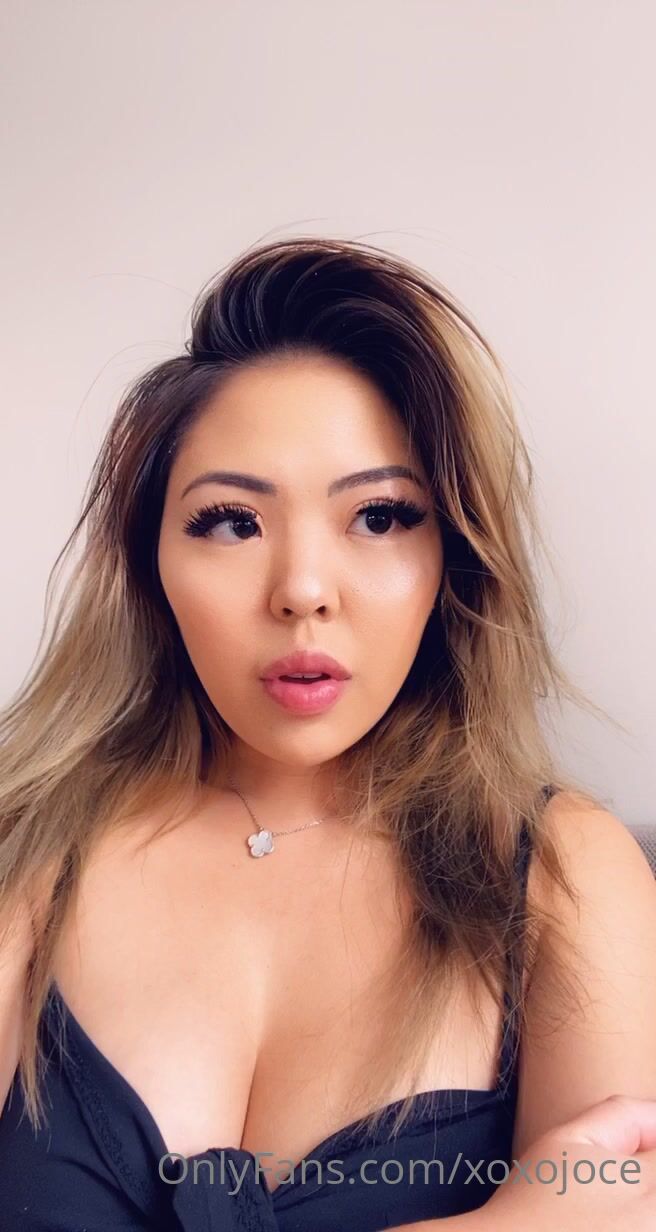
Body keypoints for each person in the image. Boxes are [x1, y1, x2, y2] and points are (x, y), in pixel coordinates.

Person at [0, 235, 655, 1232]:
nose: (303, 589)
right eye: (231, 520)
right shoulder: (29, 850)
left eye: (381, 516)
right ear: (149, 562)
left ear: (454, 556)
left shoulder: (563, 877)